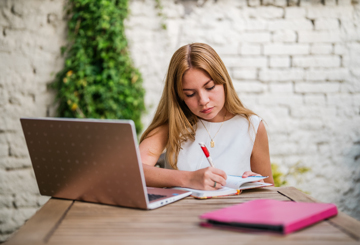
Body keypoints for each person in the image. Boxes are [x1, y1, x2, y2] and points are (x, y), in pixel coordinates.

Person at [139, 43, 274, 191]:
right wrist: (188, 178)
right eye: (190, 94)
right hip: (179, 214)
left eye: (209, 87)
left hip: (232, 212)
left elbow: (270, 192)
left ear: (224, 81)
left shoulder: (252, 126)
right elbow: (132, 171)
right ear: (179, 97)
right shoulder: (173, 125)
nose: (203, 101)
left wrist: (254, 185)